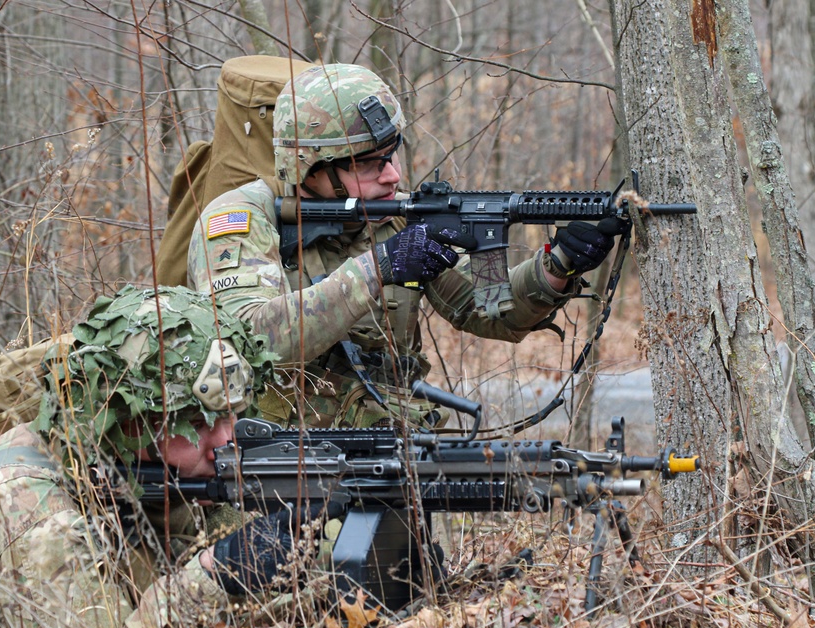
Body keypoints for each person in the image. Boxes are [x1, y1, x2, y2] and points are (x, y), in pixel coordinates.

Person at [0, 285, 336, 628]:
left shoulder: (140, 470)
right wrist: (215, 575)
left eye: (231, 416)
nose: (226, 440)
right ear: (132, 421)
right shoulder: (27, 507)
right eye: (202, 422)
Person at [186, 63, 624, 429]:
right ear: (309, 167)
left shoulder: (393, 213)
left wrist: (556, 267)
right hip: (285, 456)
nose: (393, 175)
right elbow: (251, 338)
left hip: (395, 439)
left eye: (393, 155)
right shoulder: (242, 220)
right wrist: (378, 268)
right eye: (372, 164)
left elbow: (484, 308)